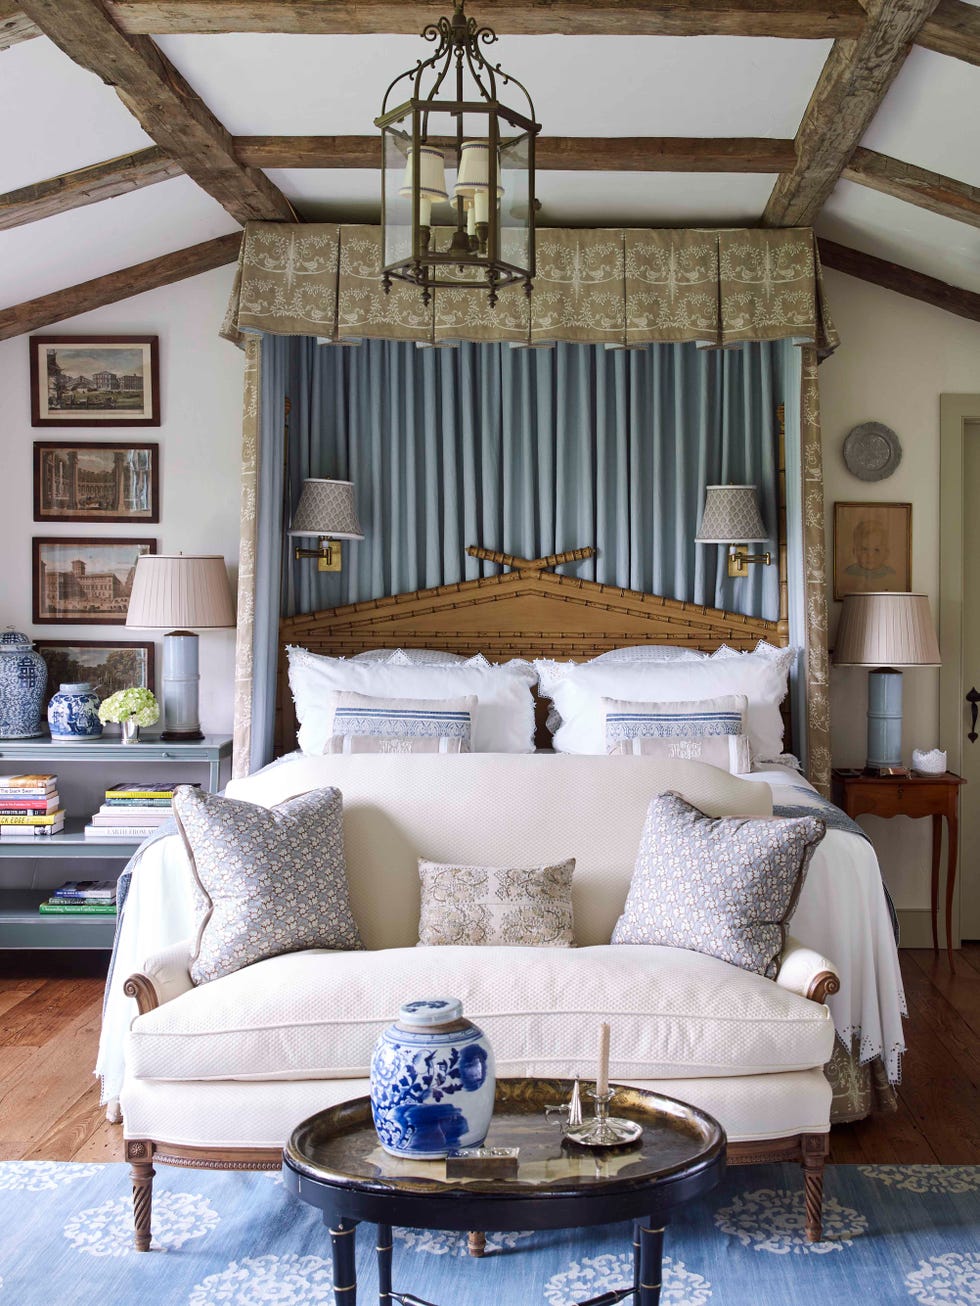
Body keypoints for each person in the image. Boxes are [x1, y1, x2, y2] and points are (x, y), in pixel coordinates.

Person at [844, 519, 897, 587]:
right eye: (864, 549)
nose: (870, 555)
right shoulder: (849, 573)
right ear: (855, 552)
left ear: (886, 553)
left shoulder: (890, 574)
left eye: (876, 550)